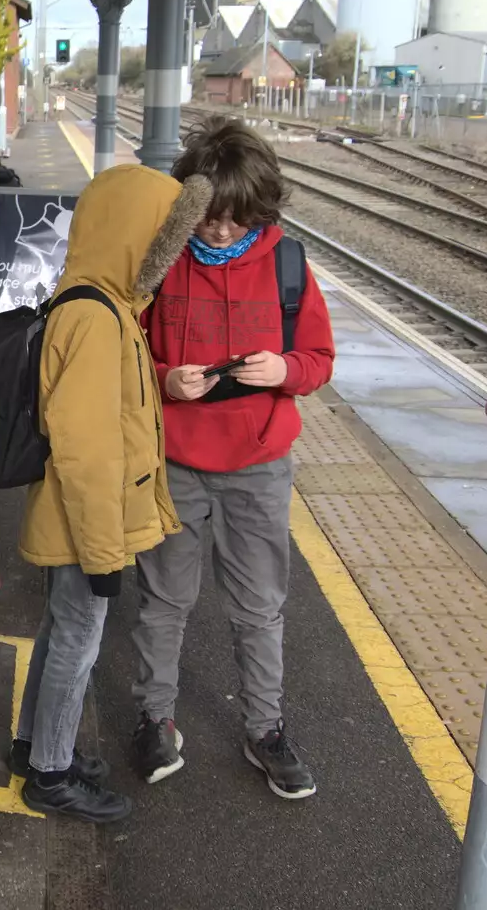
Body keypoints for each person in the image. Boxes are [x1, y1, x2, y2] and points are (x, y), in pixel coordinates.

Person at [130, 117, 335, 800]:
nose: (217, 231)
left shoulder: (288, 265)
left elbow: (319, 361)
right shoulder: (161, 260)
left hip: (258, 466)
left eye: (233, 218)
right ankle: (155, 718)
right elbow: (123, 349)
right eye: (207, 217)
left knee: (259, 607)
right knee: (164, 600)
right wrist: (162, 378)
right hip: (175, 461)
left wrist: (284, 369)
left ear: (260, 209)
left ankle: (265, 728)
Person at [9, 163, 213, 823]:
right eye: (160, 241)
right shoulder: (98, 319)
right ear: (133, 236)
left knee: (61, 628)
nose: (166, 258)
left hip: (78, 516)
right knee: (78, 636)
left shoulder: (101, 303)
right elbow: (88, 452)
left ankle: (36, 746)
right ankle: (51, 773)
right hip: (85, 522)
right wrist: (103, 556)